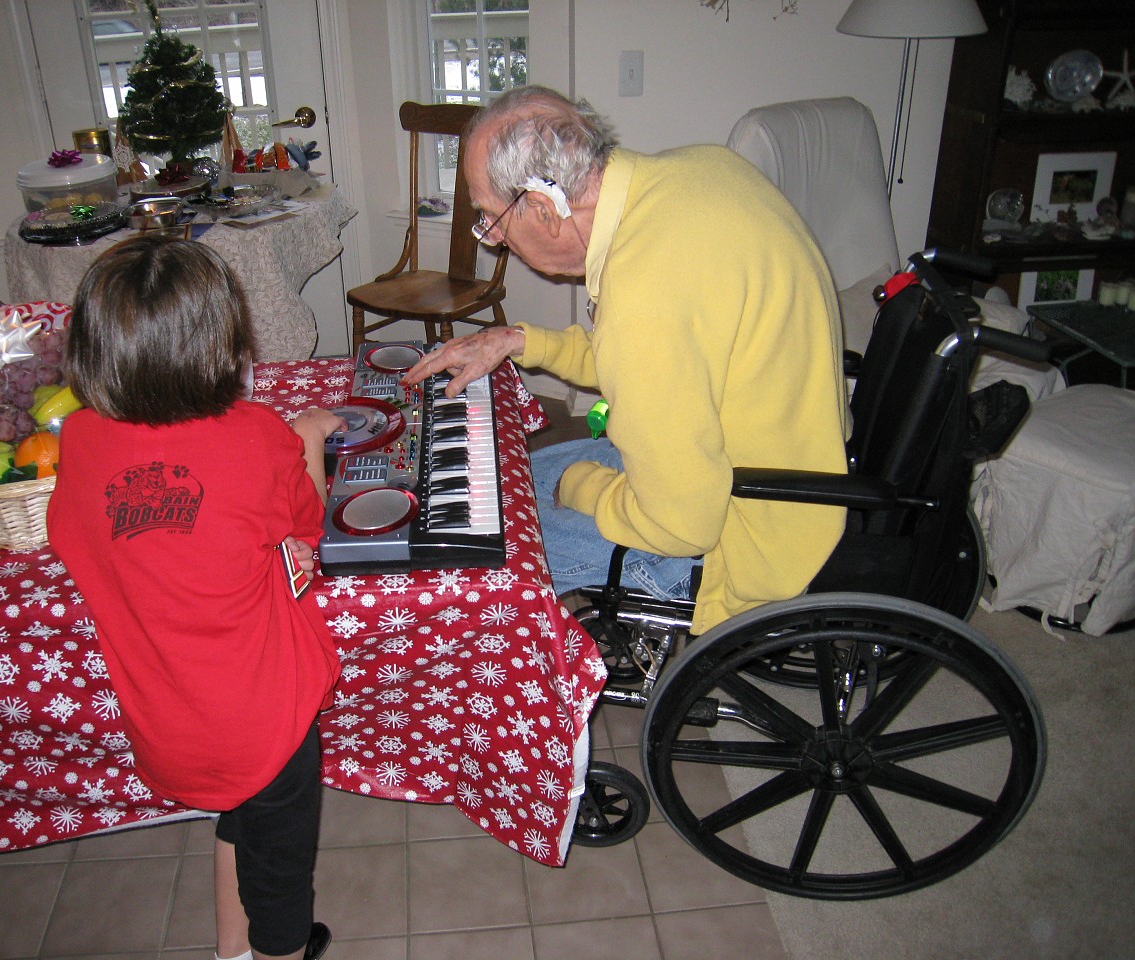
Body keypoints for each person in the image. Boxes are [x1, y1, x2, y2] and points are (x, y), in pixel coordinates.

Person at [405, 85, 849, 636]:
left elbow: (680, 525)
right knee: (503, 478)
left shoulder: (645, 292)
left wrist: (581, 486)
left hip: (744, 532)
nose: (496, 242)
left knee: (471, 549)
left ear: (543, 208)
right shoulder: (698, 170)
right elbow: (648, 359)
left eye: (492, 221)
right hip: (773, 461)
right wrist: (518, 339)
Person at [47, 235, 343, 960]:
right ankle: (276, 949)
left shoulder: (79, 439)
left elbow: (73, 538)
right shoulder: (256, 435)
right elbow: (309, 522)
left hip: (169, 719)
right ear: (220, 342)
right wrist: (306, 438)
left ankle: (231, 952)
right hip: (264, 720)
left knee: (236, 821)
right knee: (280, 875)